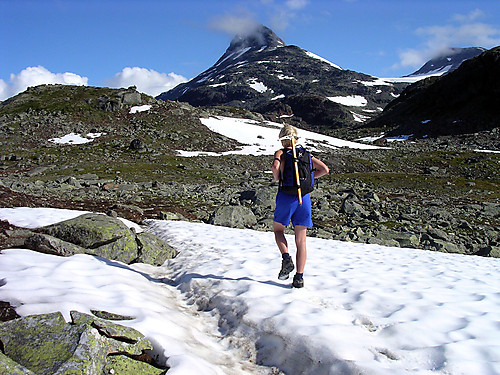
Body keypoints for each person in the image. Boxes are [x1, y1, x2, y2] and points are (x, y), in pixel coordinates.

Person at [271, 124, 329, 288]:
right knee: (301, 241)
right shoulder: (306, 154)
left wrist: (277, 177)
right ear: (296, 138)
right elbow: (325, 169)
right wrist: (308, 179)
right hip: (304, 198)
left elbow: (276, 168)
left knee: (278, 230)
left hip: (286, 196)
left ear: (283, 139)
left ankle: (286, 258)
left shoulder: (281, 153)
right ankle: (299, 278)